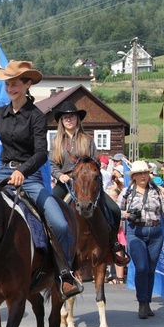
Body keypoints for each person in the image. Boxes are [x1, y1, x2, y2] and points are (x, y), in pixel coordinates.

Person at [0, 59, 82, 300]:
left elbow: (42, 153)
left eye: (15, 83)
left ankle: (65, 274)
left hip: (29, 178)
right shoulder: (1, 114)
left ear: (27, 84)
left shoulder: (37, 116)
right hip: (1, 175)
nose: (10, 88)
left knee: (59, 223)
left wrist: (23, 171)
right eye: (7, 84)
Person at [49, 101, 129, 266]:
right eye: (65, 117)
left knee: (114, 209)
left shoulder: (87, 140)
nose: (68, 120)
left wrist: (89, 174)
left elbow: (95, 163)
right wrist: (60, 176)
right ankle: (50, 248)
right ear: (61, 121)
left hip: (87, 184)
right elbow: (52, 164)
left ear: (77, 119)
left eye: (71, 116)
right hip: (65, 182)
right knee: (49, 209)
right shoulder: (56, 141)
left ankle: (113, 244)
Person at [120, 160, 164, 319]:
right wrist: (127, 215)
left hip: (155, 231)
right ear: (134, 176)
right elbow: (117, 211)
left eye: (145, 173)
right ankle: (142, 303)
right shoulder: (127, 192)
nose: (143, 176)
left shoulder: (157, 190)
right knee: (141, 268)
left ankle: (147, 302)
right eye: (139, 173)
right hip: (136, 231)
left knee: (150, 269)